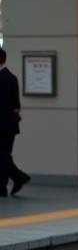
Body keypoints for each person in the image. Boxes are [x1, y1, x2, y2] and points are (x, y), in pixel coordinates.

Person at [0, 47, 29, 196]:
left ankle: (19, 177)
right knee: (5, 155)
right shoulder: (11, 77)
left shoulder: (2, 78)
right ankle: (2, 186)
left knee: (2, 156)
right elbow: (15, 104)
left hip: (2, 124)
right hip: (10, 124)